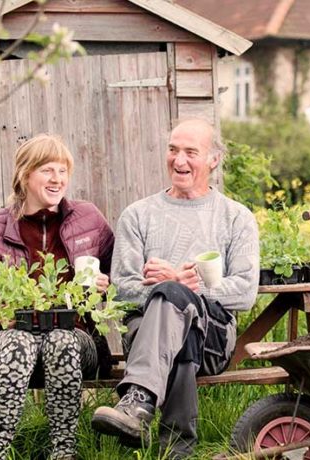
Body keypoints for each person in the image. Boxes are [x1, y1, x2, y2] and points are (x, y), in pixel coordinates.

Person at [91, 119, 260, 458]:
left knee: (174, 297)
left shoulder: (236, 218)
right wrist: (170, 289)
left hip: (213, 338)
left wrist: (183, 286)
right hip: (146, 336)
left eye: (190, 152)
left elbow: (244, 292)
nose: (179, 161)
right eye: (173, 150)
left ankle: (138, 402)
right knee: (176, 326)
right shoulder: (137, 215)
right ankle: (176, 451)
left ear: (213, 159)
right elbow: (122, 289)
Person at [0, 134, 114, 460]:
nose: (57, 179)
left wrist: (104, 285)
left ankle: (63, 453)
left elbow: (120, 276)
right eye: (47, 170)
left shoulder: (89, 219)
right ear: (25, 175)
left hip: (74, 337)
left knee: (62, 340)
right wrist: (1, 314)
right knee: (19, 342)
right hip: (5, 340)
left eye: (63, 171)